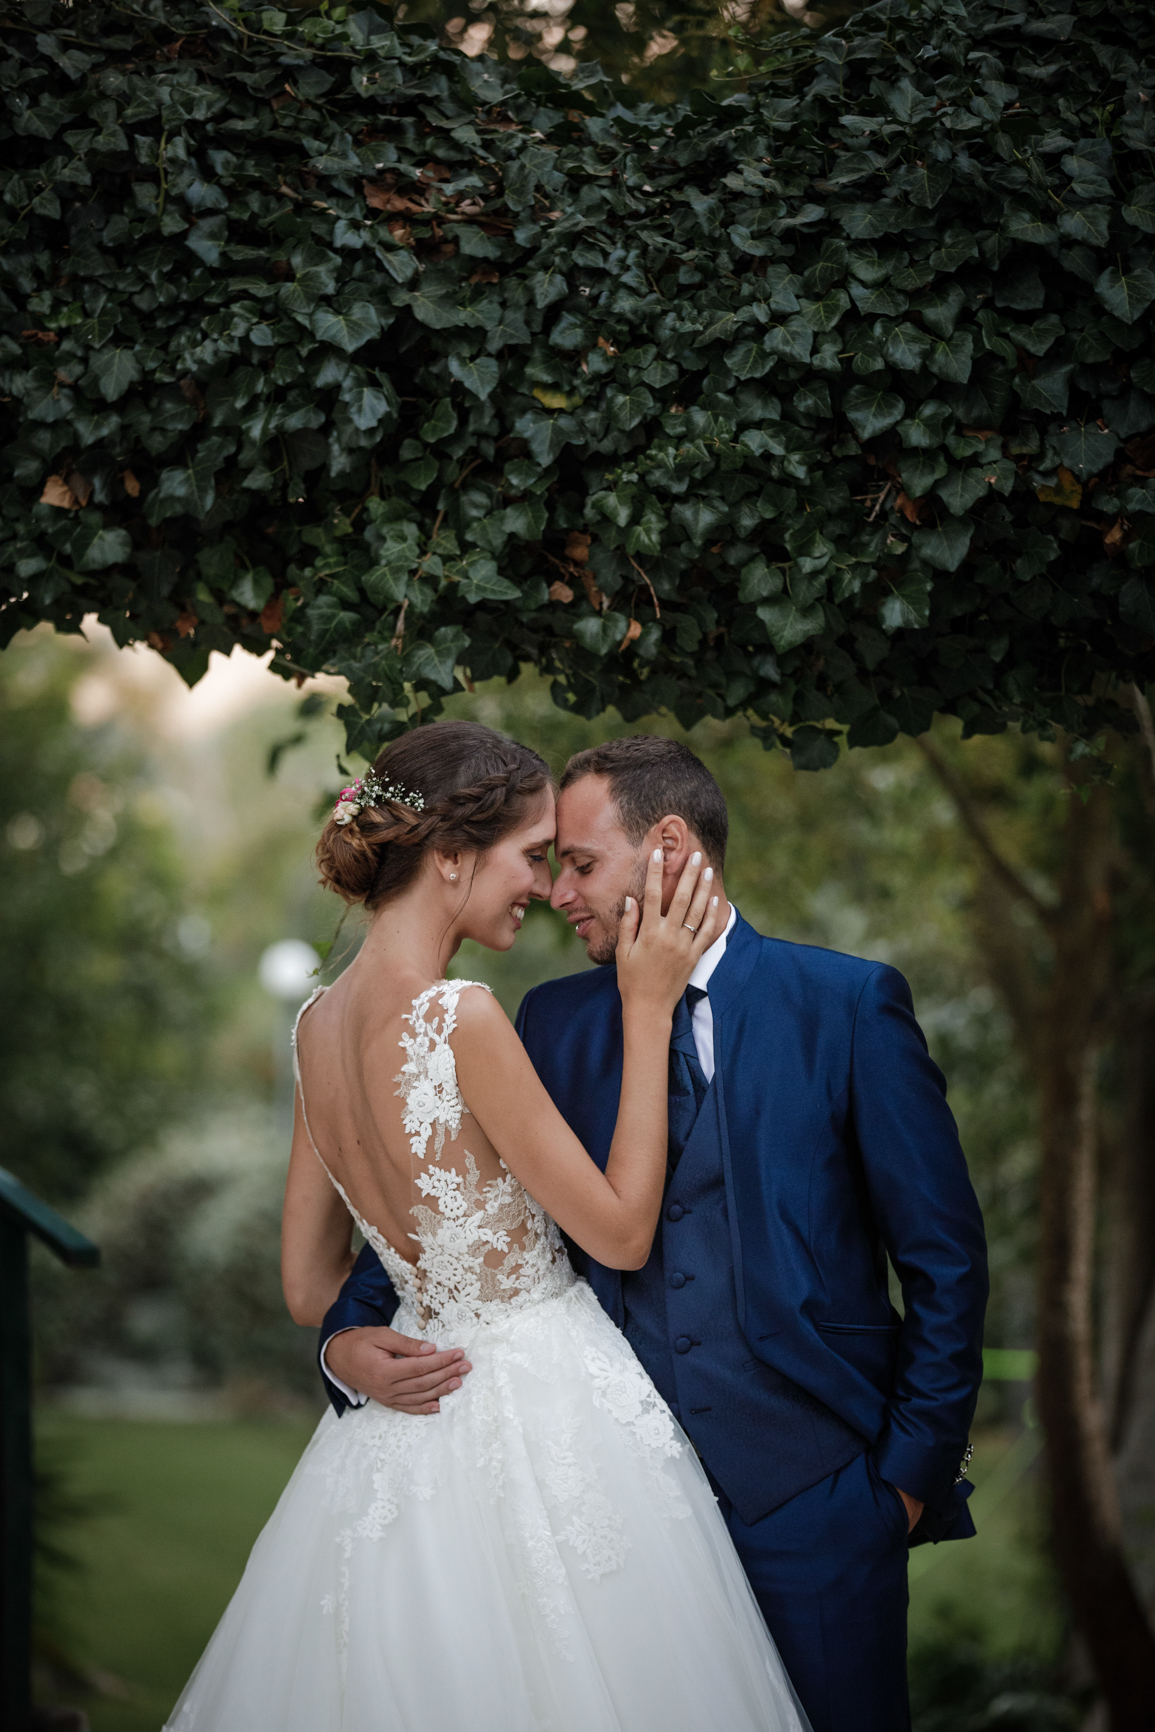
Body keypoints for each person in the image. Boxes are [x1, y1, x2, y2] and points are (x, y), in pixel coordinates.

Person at [321, 732, 990, 1732]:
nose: (556, 890)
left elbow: (945, 1264)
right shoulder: (547, 1022)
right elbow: (448, 1211)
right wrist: (342, 1343)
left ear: (670, 845)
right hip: (610, 1520)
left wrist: (897, 1486)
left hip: (816, 1511)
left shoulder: (844, 1006)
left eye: (581, 863)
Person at [165, 720, 811, 1732]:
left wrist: (346, 1343)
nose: (544, 884)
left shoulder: (315, 1027)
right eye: (531, 854)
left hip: (409, 1413)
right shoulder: (459, 1015)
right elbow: (621, 1234)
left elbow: (305, 1285)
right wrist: (645, 1011)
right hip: (541, 1400)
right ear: (454, 856)